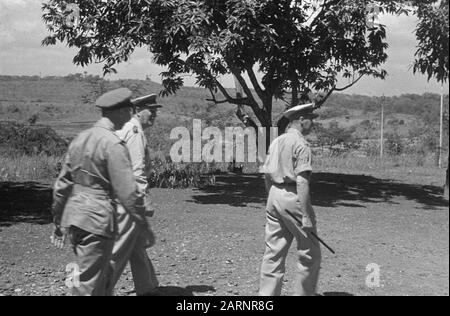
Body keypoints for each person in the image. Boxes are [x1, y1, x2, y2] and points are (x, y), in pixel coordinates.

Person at [51, 88, 151, 296]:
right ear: (121, 111)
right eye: (128, 111)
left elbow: (61, 186)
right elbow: (128, 192)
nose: (130, 116)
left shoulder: (80, 138)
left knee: (95, 276)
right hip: (97, 219)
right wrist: (143, 225)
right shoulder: (112, 143)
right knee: (88, 284)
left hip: (75, 217)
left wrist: (58, 222)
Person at [259, 103, 321, 296]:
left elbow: (266, 174)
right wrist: (306, 216)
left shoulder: (277, 141)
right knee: (310, 254)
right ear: (301, 120)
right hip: (292, 197)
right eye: (311, 118)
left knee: (273, 253)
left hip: (274, 195)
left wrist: (273, 196)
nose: (313, 123)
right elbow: (302, 182)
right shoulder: (301, 144)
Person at [107, 94, 162, 296]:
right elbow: (136, 170)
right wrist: (144, 200)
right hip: (128, 196)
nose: (155, 115)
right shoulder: (135, 131)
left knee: (135, 243)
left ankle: (148, 286)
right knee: (120, 248)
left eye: (156, 111)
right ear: (138, 111)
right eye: (151, 111)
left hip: (120, 194)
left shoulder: (128, 128)